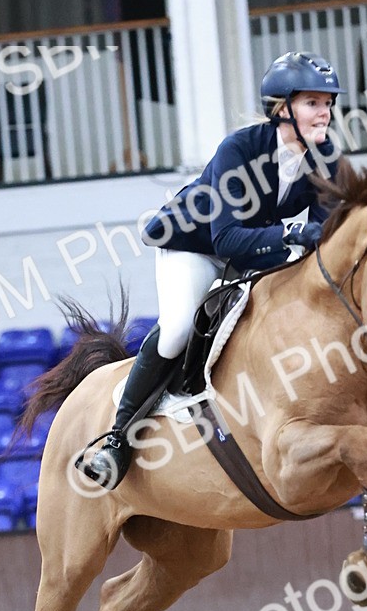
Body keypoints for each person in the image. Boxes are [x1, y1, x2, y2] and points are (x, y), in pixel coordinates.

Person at [83, 50, 345, 489]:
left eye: (329, 103)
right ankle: (117, 439)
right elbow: (226, 239)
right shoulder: (239, 149)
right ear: (283, 108)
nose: (326, 113)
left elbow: (325, 226)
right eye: (313, 103)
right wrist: (291, 236)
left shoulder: (326, 154)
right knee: (179, 328)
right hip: (196, 245)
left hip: (258, 250)